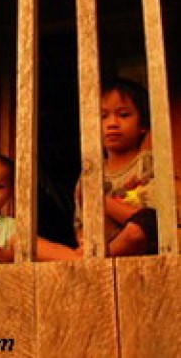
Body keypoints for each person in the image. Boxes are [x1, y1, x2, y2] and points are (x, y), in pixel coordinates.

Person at [74, 77, 157, 256]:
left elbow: (151, 221)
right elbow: (82, 224)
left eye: (124, 115)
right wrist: (83, 239)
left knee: (140, 227)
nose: (112, 124)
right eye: (103, 116)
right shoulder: (89, 174)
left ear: (143, 125)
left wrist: (102, 202)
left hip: (140, 248)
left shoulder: (149, 163)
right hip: (100, 247)